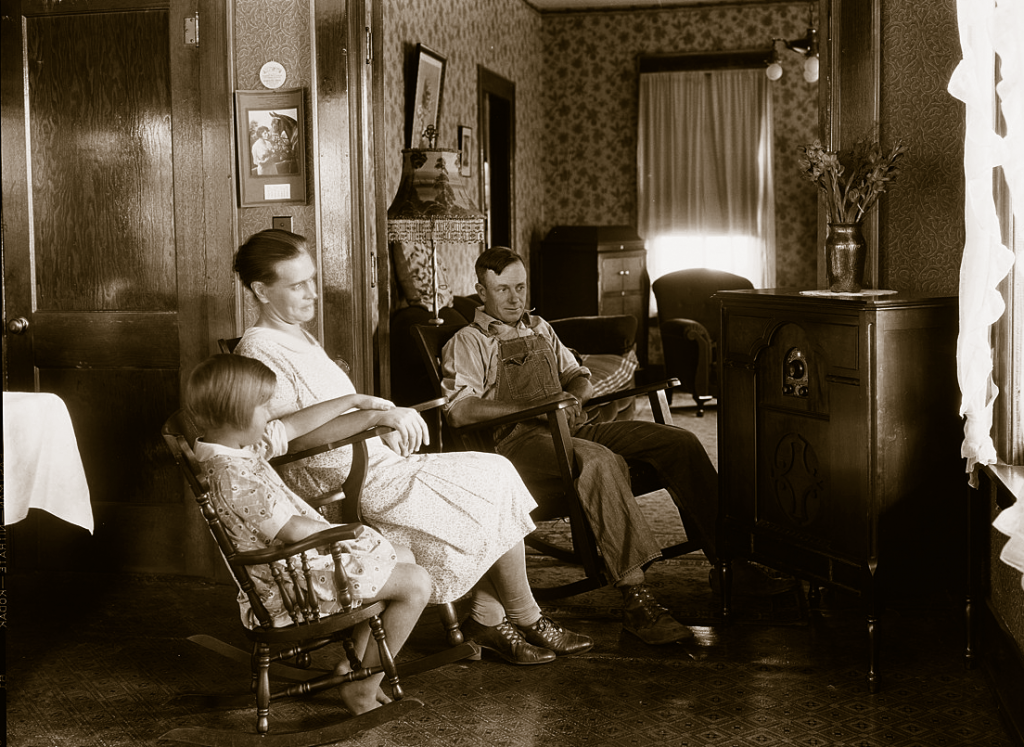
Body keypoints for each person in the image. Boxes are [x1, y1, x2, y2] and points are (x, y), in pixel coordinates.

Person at [231, 228, 592, 666]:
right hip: (339, 479)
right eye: (296, 285)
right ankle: (521, 615)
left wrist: (381, 429)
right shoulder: (258, 351)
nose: (312, 293)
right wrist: (372, 417)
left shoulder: (300, 335)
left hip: (369, 458)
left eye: (312, 279)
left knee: (493, 474)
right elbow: (286, 442)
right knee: (490, 479)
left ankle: (492, 616)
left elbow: (327, 415)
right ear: (260, 290)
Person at [441, 246, 792, 645]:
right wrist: (535, 406)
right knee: (601, 461)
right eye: (502, 290)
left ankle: (730, 562)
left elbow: (579, 374)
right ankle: (636, 599)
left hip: (572, 428)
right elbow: (459, 411)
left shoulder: (540, 327)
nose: (515, 298)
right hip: (521, 444)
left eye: (520, 287)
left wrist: (574, 395)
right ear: (481, 292)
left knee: (679, 442)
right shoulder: (467, 342)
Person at [185, 353, 430, 715]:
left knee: (403, 555)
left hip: (297, 567)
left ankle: (355, 667)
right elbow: (294, 530)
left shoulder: (233, 447)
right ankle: (364, 689)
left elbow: (293, 426)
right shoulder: (233, 476)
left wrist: (354, 401)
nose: (270, 414)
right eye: (263, 407)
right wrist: (351, 532)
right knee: (417, 583)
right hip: (289, 587)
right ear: (236, 415)